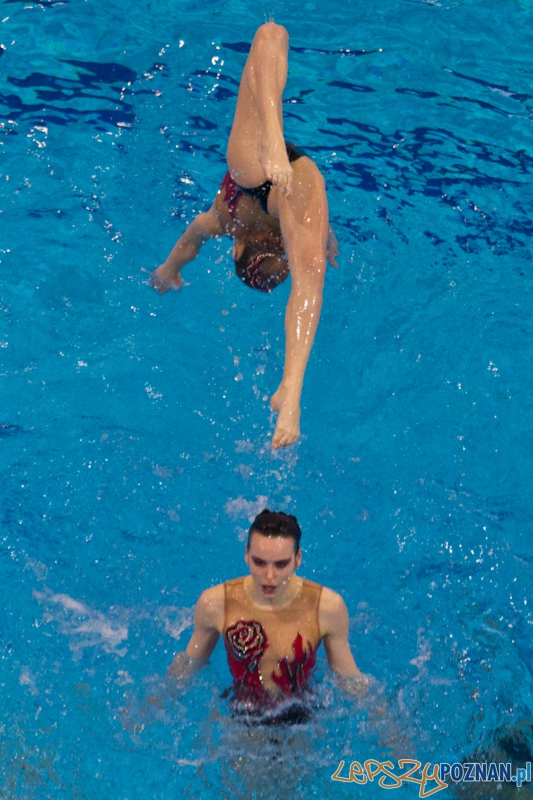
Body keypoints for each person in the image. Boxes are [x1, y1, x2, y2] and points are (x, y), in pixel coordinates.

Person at [150, 22, 339, 450]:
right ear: (236, 250)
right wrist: (167, 271)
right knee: (270, 36)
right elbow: (191, 241)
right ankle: (273, 136)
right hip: (253, 175)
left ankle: (292, 388)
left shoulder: (268, 226)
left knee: (312, 273)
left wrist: (321, 236)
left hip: (293, 185)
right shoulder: (225, 220)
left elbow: (306, 288)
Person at [169, 509, 368, 724]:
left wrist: (388, 725)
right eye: (259, 563)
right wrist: (150, 706)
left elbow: (349, 680)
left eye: (281, 564)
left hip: (301, 717)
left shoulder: (326, 607)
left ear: (298, 559)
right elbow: (188, 669)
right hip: (242, 714)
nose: (270, 576)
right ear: (246, 554)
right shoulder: (216, 604)